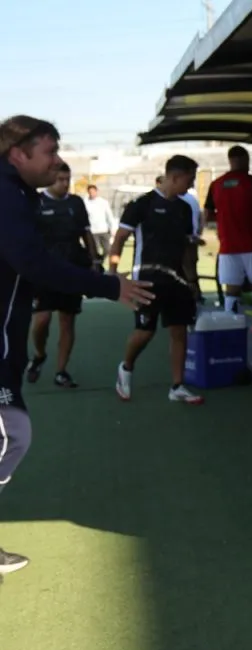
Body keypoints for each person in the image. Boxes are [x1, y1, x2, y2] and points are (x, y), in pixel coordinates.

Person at [0, 115, 153, 574]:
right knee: (11, 434)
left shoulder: (16, 192)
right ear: (18, 154)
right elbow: (30, 260)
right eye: (49, 151)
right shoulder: (6, 193)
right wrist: (109, 285)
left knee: (13, 434)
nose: (59, 160)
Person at [109, 155, 205, 405]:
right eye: (189, 179)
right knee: (145, 332)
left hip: (177, 280)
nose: (191, 185)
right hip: (148, 279)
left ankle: (177, 386)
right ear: (174, 177)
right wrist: (114, 272)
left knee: (179, 330)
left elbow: (186, 247)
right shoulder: (142, 204)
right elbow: (119, 239)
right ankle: (126, 368)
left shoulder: (184, 208)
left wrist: (192, 281)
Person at [26, 163, 102, 389]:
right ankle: (39, 354)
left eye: (68, 179)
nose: (65, 184)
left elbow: (86, 233)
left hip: (71, 267)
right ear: (50, 178)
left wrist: (95, 260)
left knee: (67, 321)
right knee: (41, 320)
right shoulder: (35, 202)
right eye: (60, 179)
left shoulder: (76, 203)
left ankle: (61, 371)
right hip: (43, 270)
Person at [204, 145, 252, 339]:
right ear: (246, 160)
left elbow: (207, 216)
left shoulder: (216, 184)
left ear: (230, 160)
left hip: (228, 246)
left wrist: (225, 219)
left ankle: (229, 332)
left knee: (231, 290)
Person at [84, 184, 117, 262]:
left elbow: (109, 215)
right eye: (90, 192)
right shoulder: (85, 203)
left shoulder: (103, 202)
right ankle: (96, 264)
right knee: (94, 250)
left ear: (96, 192)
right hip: (93, 231)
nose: (92, 194)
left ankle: (100, 261)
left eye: (93, 192)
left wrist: (113, 228)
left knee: (108, 249)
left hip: (104, 230)